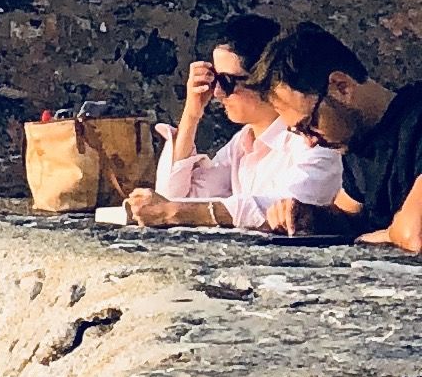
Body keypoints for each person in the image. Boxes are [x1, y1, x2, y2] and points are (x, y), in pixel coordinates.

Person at [122, 14, 344, 230]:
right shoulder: (243, 142)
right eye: (214, 80)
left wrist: (175, 211)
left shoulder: (315, 138)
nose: (217, 92)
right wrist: (191, 114)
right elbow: (177, 197)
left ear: (264, 79)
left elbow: (288, 209)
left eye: (226, 81)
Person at [252, 23, 422, 248]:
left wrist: (378, 237)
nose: (310, 141)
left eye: (309, 124)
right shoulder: (357, 142)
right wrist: (311, 217)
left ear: (341, 86)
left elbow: (414, 234)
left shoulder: (416, 123)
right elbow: (349, 216)